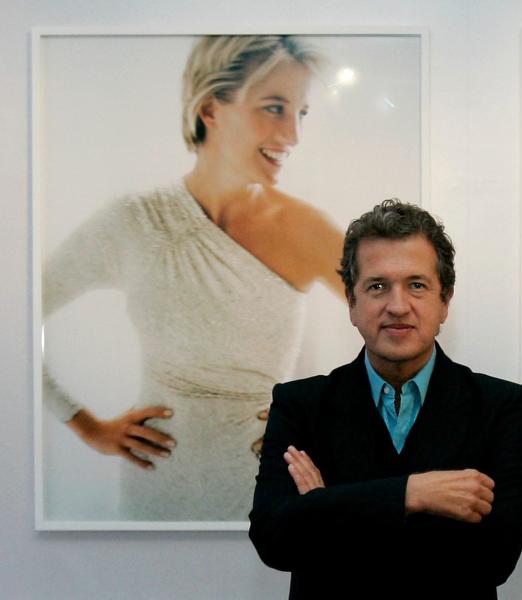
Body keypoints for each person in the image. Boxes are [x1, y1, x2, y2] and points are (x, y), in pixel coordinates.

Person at [42, 35, 343, 520]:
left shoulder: (305, 229)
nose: (292, 136)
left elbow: (405, 323)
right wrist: (84, 425)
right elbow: (14, 314)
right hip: (155, 486)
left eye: (301, 113)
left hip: (268, 488)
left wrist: (329, 419)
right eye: (274, 108)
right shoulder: (133, 221)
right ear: (210, 108)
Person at [249, 200, 522, 597]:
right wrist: (413, 494)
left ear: (445, 301)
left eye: (417, 285)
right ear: (351, 302)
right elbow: (274, 539)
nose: (398, 306)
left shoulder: (501, 405)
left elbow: (494, 558)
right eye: (377, 286)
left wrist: (325, 507)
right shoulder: (299, 404)